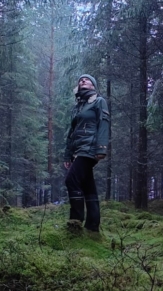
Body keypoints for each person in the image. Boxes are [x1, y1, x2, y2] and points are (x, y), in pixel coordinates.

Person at [63, 74, 110, 232]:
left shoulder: (98, 101)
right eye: (80, 80)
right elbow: (72, 132)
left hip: (89, 148)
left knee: (71, 180)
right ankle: (93, 225)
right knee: (87, 185)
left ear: (93, 85)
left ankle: (75, 223)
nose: (83, 81)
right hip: (77, 150)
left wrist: (102, 148)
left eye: (87, 79)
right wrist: (67, 154)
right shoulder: (78, 106)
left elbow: (104, 124)